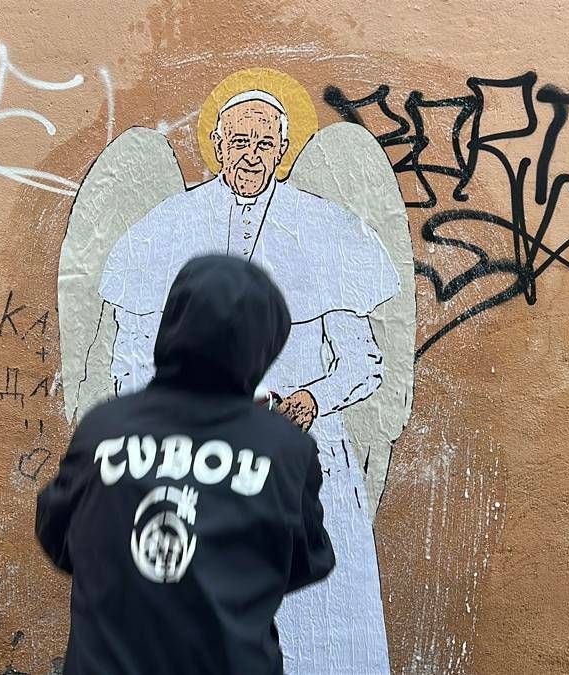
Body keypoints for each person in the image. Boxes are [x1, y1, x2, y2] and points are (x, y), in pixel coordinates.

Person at [97, 88, 397, 672]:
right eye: (239, 142)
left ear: (283, 149)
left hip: (302, 462)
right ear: (216, 146)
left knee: (315, 629)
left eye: (264, 143)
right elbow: (130, 359)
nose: (251, 155)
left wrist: (312, 399)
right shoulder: (170, 227)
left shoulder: (320, 229)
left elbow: (363, 363)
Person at [36, 255, 335, 675]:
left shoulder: (104, 428)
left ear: (173, 321)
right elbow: (308, 560)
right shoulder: (286, 450)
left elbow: (57, 533)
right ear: (263, 345)